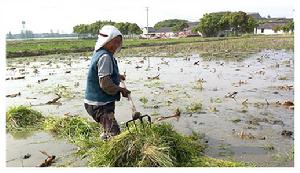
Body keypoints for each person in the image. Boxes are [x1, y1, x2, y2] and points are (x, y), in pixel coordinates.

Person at [84, 25, 131, 140]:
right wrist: (121, 90)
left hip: (99, 103)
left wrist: (117, 76)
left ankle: (104, 138)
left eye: (118, 43)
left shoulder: (100, 53)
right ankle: (115, 151)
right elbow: (105, 84)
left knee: (107, 128)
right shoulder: (105, 57)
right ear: (106, 41)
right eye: (114, 42)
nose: (116, 46)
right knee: (115, 134)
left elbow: (102, 73)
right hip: (99, 105)